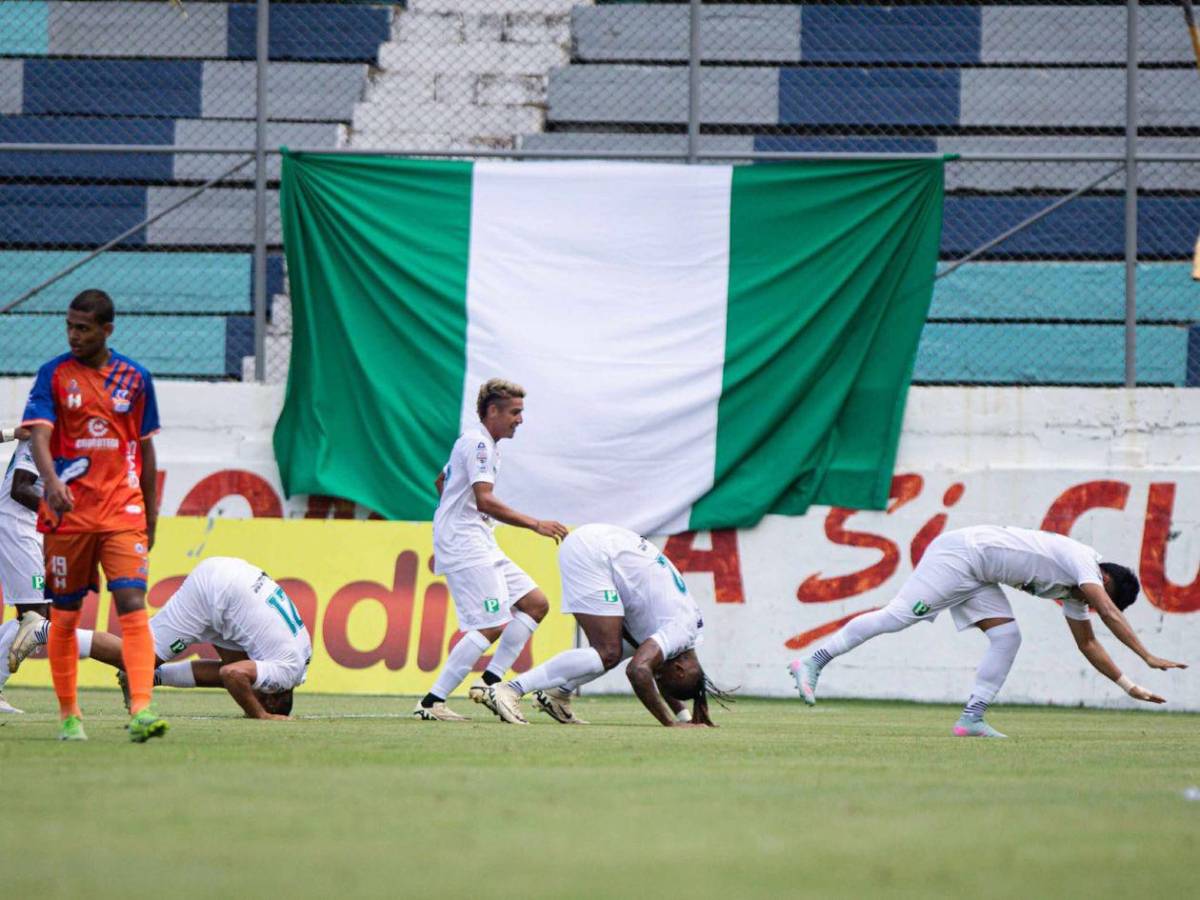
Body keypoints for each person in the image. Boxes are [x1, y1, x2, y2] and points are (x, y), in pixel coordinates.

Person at [788, 525, 1188, 737]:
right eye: (1104, 595)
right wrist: (1147, 655)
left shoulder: (1074, 591)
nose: (1096, 602)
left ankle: (971, 719)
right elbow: (1107, 614)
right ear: (1103, 578)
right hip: (961, 555)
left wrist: (1128, 685)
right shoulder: (1083, 564)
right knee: (897, 617)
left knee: (1008, 637)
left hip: (980, 573)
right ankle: (812, 661)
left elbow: (1087, 643)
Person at [19, 289, 166, 742]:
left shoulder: (136, 379)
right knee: (64, 615)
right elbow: (39, 436)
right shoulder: (54, 376)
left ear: (107, 330)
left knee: (131, 605)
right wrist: (52, 482)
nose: (73, 335)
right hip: (69, 517)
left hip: (123, 512)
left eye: (83, 328)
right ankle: (69, 715)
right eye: (69, 326)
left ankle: (141, 709)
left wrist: (151, 514)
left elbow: (144, 448)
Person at [414, 379, 569, 721]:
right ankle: (431, 702)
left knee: (535, 603)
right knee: (492, 623)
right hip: (465, 544)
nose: (520, 419)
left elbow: (442, 482)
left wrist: (457, 513)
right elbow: (484, 498)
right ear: (493, 411)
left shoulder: (482, 444)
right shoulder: (479, 445)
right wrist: (536, 524)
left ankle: (490, 683)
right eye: (515, 412)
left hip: (477, 538)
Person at [10, 556, 310, 720]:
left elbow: (229, 672)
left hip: (235, 577)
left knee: (237, 669)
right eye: (264, 697)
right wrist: (259, 714)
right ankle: (45, 630)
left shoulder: (301, 663)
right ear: (275, 695)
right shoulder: (284, 675)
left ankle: (150, 677)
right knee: (139, 656)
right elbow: (233, 676)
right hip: (217, 593)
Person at [487, 523, 719, 728]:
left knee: (622, 650)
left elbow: (681, 672)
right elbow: (638, 671)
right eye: (660, 677)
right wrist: (670, 723)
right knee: (608, 653)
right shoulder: (677, 630)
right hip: (593, 552)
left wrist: (687, 716)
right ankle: (509, 689)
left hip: (604, 544)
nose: (656, 678)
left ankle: (557, 693)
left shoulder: (687, 637)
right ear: (678, 669)